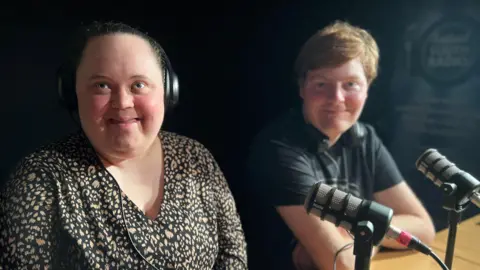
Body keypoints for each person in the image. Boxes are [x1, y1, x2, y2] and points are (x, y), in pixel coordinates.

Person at [0, 21, 247, 269]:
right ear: (72, 94)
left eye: (138, 85)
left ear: (167, 91)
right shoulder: (40, 178)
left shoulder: (194, 156)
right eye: (102, 85)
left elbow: (233, 257)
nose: (123, 102)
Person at [243, 20, 436, 270]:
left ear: (367, 88)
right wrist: (372, 234)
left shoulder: (365, 138)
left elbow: (423, 228)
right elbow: (342, 263)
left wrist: (361, 236)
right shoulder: (278, 148)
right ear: (302, 87)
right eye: (322, 84)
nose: (337, 99)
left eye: (351, 85)